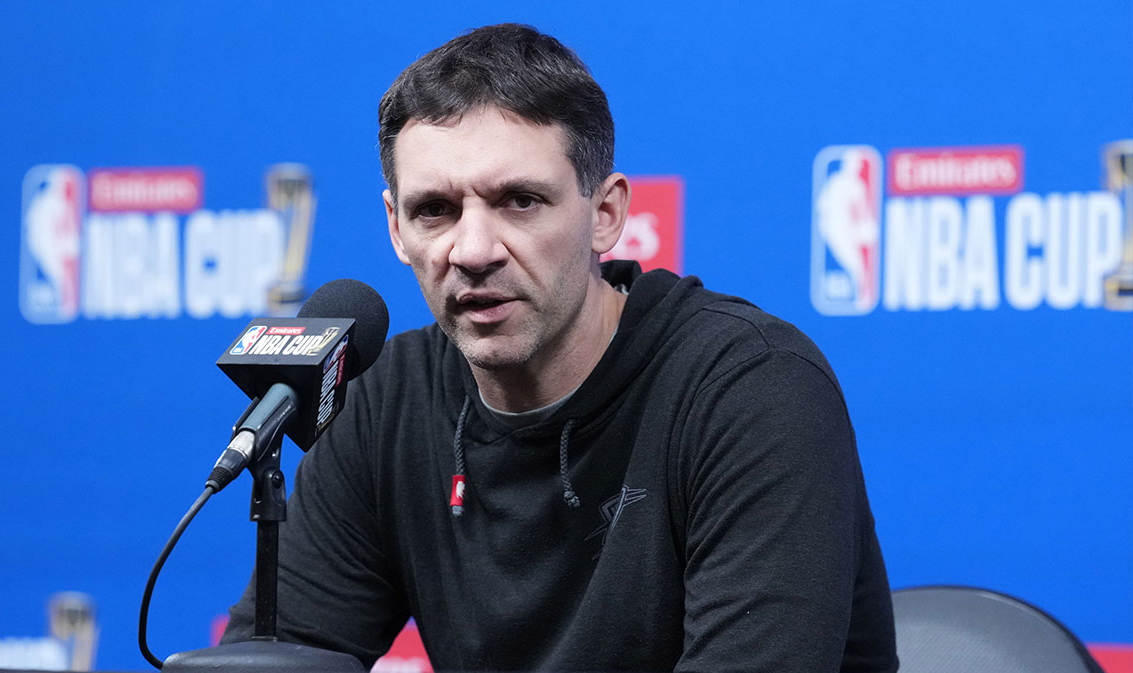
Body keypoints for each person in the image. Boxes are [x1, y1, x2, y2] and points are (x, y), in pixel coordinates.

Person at [224, 23, 898, 673]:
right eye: (435, 210)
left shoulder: (751, 390)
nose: (474, 250)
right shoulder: (382, 406)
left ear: (605, 214)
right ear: (397, 229)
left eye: (520, 201)